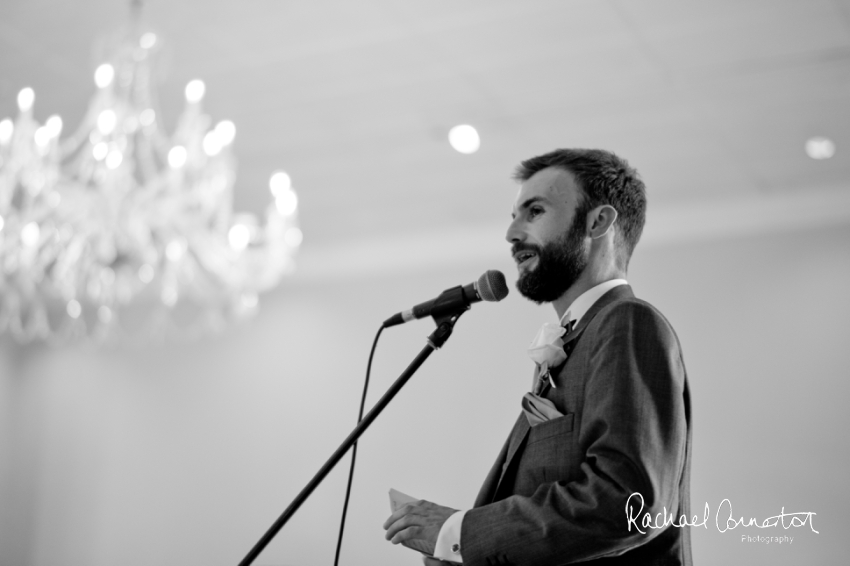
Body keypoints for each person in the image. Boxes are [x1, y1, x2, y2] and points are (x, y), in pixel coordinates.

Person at [383, 148, 693, 566]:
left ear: (597, 221)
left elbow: (629, 505)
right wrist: (464, 556)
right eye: (514, 215)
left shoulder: (627, 323)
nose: (511, 233)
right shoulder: (576, 339)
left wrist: (461, 533)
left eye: (534, 211)